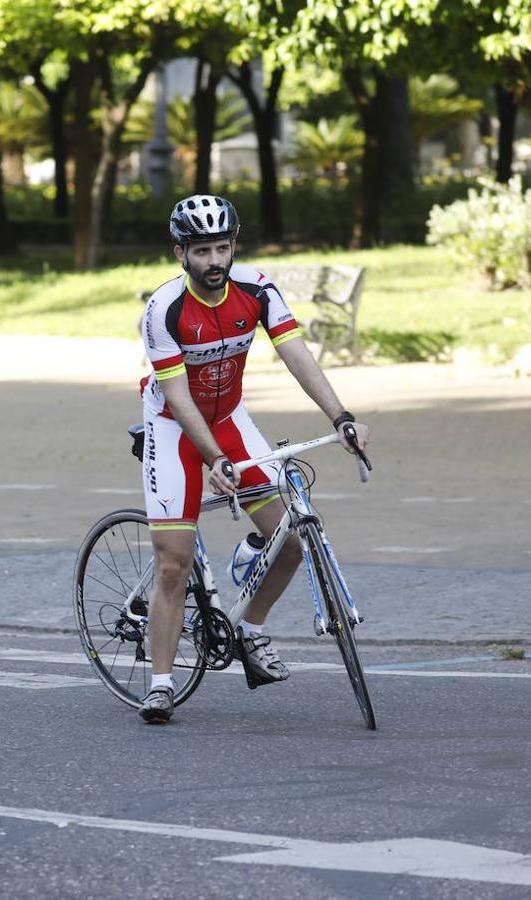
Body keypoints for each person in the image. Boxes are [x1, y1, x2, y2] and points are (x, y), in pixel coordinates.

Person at [136, 194, 372, 725]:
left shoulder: (256, 289)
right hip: (175, 425)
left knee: (290, 538)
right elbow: (177, 397)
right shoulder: (164, 309)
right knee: (173, 565)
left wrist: (340, 416)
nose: (215, 260)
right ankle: (160, 683)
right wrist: (214, 459)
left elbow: (295, 353)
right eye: (202, 251)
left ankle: (250, 628)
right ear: (181, 253)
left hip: (230, 417)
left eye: (223, 247)